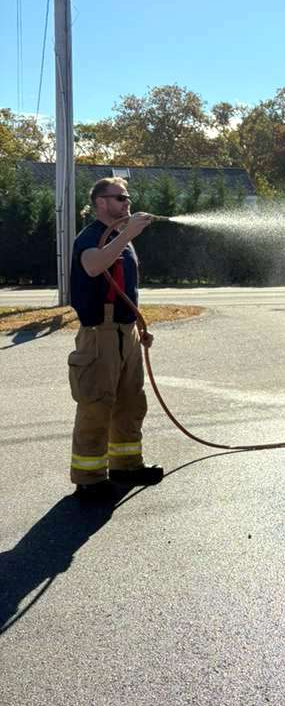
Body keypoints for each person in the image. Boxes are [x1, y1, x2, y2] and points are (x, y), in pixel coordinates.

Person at [68, 177, 163, 496]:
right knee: (96, 405)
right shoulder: (90, 237)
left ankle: (126, 466)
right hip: (100, 334)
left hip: (127, 331)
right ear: (100, 202)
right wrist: (127, 234)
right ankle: (89, 479)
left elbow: (127, 289)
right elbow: (93, 266)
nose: (127, 203)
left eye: (128, 198)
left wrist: (139, 325)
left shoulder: (122, 239)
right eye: (120, 198)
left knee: (131, 402)